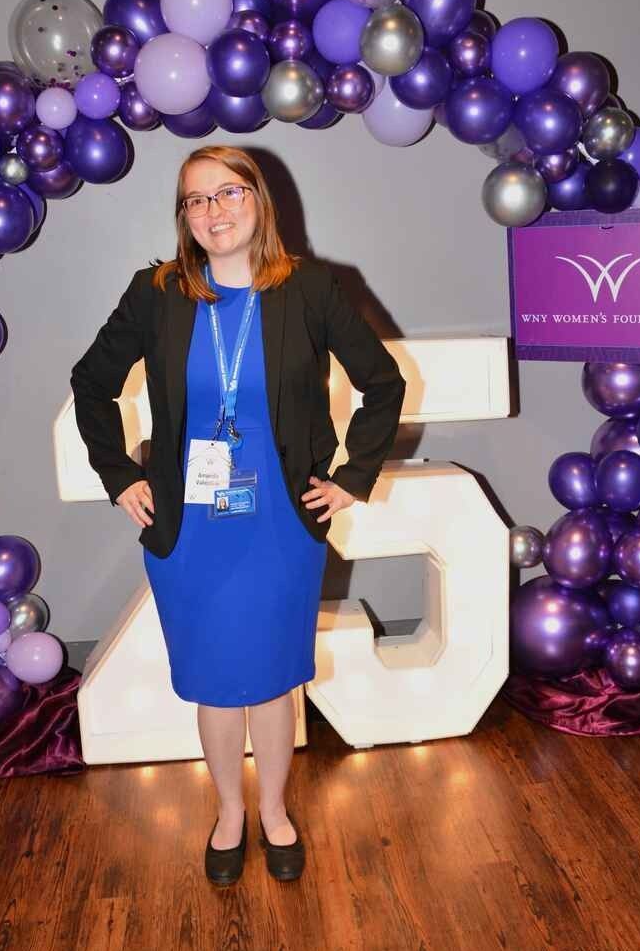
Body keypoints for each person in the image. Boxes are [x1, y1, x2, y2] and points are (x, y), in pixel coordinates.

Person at [70, 145, 406, 884]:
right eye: (196, 199)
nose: (213, 211)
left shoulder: (312, 288)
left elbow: (382, 384)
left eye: (228, 193)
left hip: (279, 521)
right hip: (190, 526)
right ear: (183, 217)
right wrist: (119, 473)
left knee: (272, 673)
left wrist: (351, 476)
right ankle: (229, 810)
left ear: (259, 203)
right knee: (217, 675)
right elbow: (90, 383)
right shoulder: (156, 292)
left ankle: (277, 810)